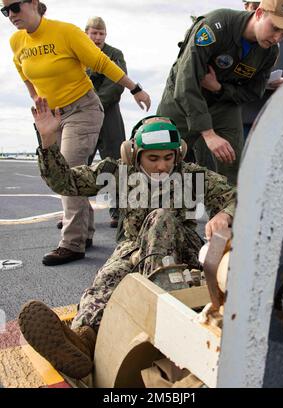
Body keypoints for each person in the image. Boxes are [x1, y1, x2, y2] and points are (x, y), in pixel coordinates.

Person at [18, 97, 236, 379]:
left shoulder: (191, 174)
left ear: (178, 155)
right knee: (103, 286)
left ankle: (158, 311)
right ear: (134, 155)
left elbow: (234, 196)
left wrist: (225, 214)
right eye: (153, 158)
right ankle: (83, 343)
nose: (162, 166)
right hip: (132, 248)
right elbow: (66, 182)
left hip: (181, 247)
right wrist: (48, 142)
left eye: (169, 158)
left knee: (162, 217)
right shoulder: (118, 172)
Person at [1, 0, 151, 266]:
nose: (10, 15)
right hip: (53, 114)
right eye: (4, 11)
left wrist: (135, 88)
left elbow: (102, 62)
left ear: (33, 3)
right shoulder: (16, 42)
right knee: (67, 172)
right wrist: (38, 103)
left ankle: (72, 243)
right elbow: (26, 76)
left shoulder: (65, 32)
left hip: (83, 109)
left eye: (14, 7)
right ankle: (85, 232)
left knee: (69, 169)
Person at [157, 0, 283, 185]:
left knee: (231, 165)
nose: (276, 38)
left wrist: (219, 88)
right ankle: (148, 209)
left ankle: (227, 213)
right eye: (274, 28)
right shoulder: (215, 26)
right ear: (258, 13)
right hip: (183, 99)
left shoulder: (270, 52)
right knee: (161, 154)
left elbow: (253, 92)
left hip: (224, 104)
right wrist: (208, 133)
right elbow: (186, 82)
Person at [86, 16, 127, 229]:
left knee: (114, 162)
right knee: (78, 163)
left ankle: (117, 210)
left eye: (101, 33)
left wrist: (96, 104)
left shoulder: (114, 54)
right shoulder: (77, 53)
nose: (97, 37)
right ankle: (75, 212)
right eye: (94, 33)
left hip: (108, 113)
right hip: (81, 115)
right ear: (86, 33)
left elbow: (117, 82)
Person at [242, 0, 283, 139]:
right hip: (236, 117)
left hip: (270, 120)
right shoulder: (231, 37)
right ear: (247, 7)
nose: (277, 37)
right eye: (255, 6)